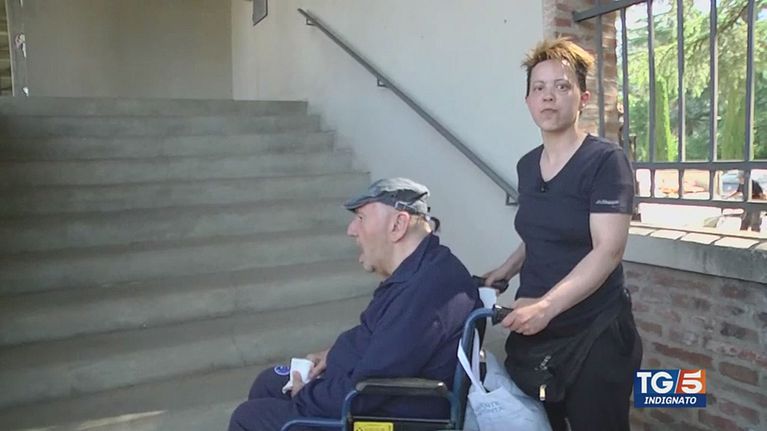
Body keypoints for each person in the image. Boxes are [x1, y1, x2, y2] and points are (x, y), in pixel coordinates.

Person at [228, 177, 479, 431]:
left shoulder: (427, 292)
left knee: (248, 418)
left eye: (361, 218)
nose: (351, 230)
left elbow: (368, 388)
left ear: (398, 224)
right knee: (270, 382)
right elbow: (378, 337)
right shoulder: (420, 270)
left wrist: (306, 396)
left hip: (386, 417)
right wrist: (334, 354)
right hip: (370, 393)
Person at [483, 38, 642, 431]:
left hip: (594, 332)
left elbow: (608, 251)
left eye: (561, 86)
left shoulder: (605, 161)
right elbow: (542, 231)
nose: (548, 96)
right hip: (537, 335)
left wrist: (546, 306)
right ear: (528, 101)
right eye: (539, 88)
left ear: (583, 98)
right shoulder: (526, 165)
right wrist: (506, 269)